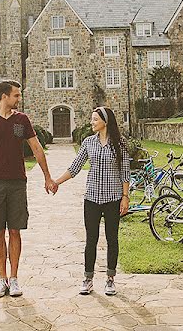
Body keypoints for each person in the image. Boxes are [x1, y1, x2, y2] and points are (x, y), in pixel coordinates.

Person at [0, 80, 57, 298]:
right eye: (16, 96)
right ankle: (2, 280)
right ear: (4, 96)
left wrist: (47, 177)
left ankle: (15, 279)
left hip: (18, 182)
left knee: (15, 230)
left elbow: (36, 147)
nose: (19, 99)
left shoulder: (22, 120)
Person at [53, 106, 130, 296]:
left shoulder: (120, 143)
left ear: (105, 121)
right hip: (92, 199)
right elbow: (75, 167)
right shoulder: (88, 142)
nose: (91, 122)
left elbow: (125, 172)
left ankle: (110, 279)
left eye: (95, 119)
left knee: (112, 239)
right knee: (91, 240)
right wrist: (56, 182)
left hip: (113, 199)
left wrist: (125, 197)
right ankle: (88, 279)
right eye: (92, 119)